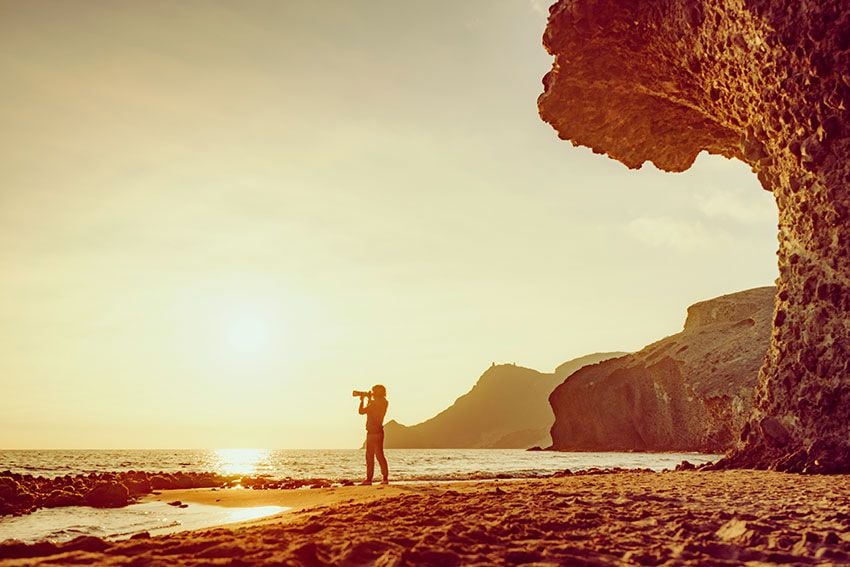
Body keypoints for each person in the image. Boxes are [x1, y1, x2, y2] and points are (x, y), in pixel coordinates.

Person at [358, 384, 389, 485]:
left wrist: (363, 400)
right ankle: (381, 478)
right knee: (374, 456)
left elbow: (361, 411)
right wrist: (368, 399)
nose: (373, 393)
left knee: (374, 456)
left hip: (375, 432)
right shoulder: (383, 402)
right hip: (374, 432)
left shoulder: (379, 403)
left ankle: (371, 479)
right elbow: (368, 410)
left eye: (374, 391)